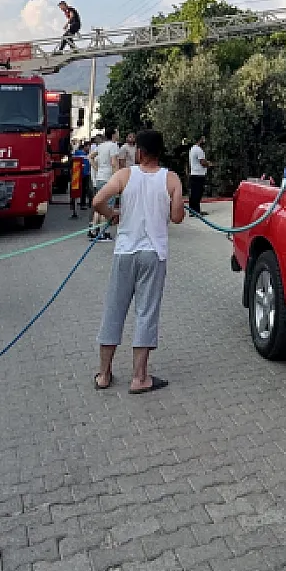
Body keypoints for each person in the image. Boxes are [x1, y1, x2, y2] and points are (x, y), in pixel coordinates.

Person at [92, 129, 185, 394]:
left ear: (140, 152)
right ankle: (139, 377)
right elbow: (177, 217)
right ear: (160, 153)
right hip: (154, 254)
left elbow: (98, 200)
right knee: (146, 312)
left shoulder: (124, 175)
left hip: (125, 251)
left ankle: (104, 374)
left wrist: (112, 214)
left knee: (114, 308)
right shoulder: (171, 179)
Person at [87, 131, 120, 241]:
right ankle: (103, 232)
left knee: (99, 204)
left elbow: (90, 157)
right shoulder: (113, 146)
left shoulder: (100, 146)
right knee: (108, 206)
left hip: (100, 178)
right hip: (109, 179)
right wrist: (117, 178)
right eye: (117, 133)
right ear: (113, 134)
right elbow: (114, 163)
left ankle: (93, 231)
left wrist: (97, 168)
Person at [187, 135, 211, 217]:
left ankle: (192, 210)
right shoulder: (199, 150)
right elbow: (202, 162)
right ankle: (196, 211)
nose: (204, 140)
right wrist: (209, 164)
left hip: (194, 173)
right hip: (199, 175)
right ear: (200, 139)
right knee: (197, 193)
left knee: (194, 193)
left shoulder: (192, 148)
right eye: (203, 139)